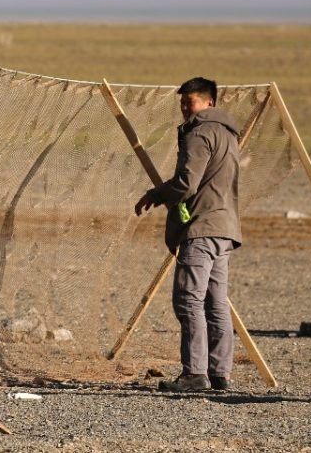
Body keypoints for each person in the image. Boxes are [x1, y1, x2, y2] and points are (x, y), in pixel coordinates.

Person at [134, 77, 241, 392]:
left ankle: (195, 373)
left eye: (190, 102)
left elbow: (187, 183)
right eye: (182, 102)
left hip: (202, 228)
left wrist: (157, 194)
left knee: (188, 299)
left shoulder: (200, 132)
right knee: (216, 301)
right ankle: (219, 372)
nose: (185, 108)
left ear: (209, 102)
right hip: (224, 228)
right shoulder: (227, 134)